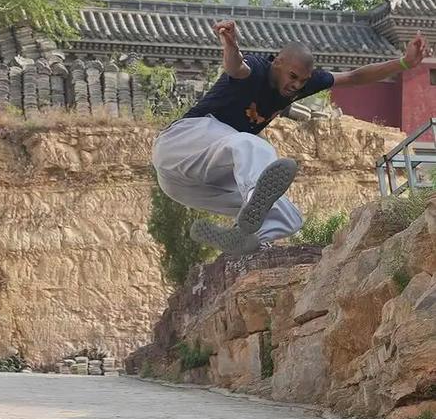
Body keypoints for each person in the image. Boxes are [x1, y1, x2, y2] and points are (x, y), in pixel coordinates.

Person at [152, 21, 430, 254]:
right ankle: (254, 199)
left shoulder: (303, 83)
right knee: (252, 146)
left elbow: (354, 76)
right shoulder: (257, 68)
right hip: (179, 145)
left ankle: (245, 236)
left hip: (183, 186)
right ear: (278, 63)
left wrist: (404, 62)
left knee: (290, 217)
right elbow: (236, 67)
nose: (296, 86)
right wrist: (230, 44)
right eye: (293, 76)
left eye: (302, 81)